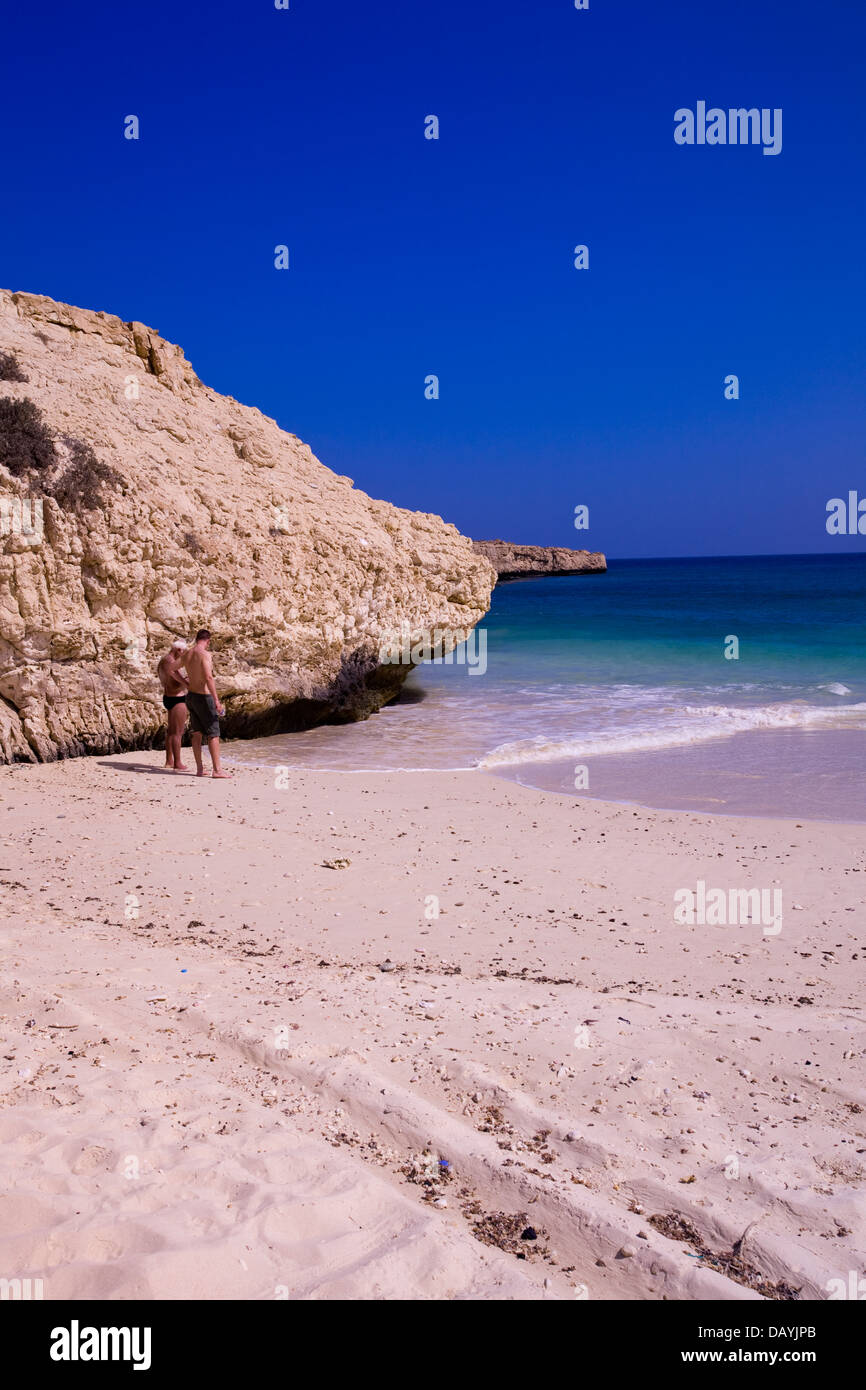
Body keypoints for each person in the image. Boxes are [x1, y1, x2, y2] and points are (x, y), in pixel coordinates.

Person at [183, 629, 232, 779]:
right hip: (204, 697)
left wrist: (185, 683)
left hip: (190, 696)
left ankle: (199, 769)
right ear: (208, 641)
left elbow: (171, 669)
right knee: (213, 733)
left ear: (196, 638)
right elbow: (209, 677)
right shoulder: (205, 654)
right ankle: (217, 770)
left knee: (196, 733)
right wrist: (216, 700)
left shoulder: (188, 654)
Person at [156, 639, 191, 772]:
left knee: (171, 732)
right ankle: (178, 763)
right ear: (179, 650)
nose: (183, 655)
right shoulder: (171, 662)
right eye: (184, 652)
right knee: (177, 733)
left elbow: (168, 681)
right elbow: (179, 683)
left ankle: (169, 761)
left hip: (168, 696)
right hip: (177, 698)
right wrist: (189, 680)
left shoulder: (162, 661)